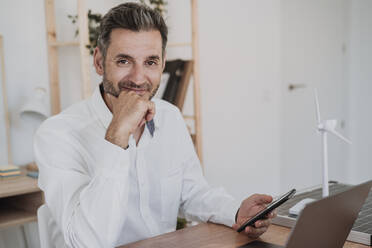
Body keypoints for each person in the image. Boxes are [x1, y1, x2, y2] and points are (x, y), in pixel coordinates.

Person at [34, 2, 275, 247]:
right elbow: (87, 241)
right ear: (99, 62)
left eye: (150, 62)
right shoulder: (58, 134)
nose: (138, 78)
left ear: (162, 63)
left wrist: (237, 212)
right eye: (124, 61)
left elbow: (193, 194)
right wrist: (118, 132)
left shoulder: (169, 117)